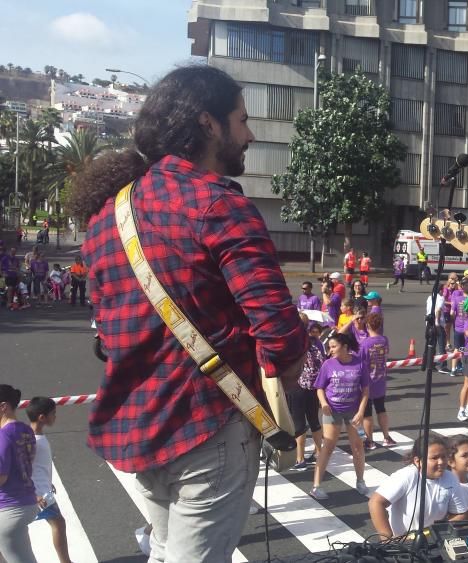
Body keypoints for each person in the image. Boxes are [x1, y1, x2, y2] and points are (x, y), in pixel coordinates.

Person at [76, 65, 308, 562]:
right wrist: (282, 387)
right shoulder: (217, 204)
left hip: (136, 427)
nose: (249, 134)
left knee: (163, 552)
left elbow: (104, 331)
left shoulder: (105, 216)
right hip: (207, 426)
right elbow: (279, 328)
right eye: (241, 120)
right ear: (208, 123)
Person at [369, 434, 468, 538]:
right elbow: (376, 502)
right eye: (434, 458)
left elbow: (460, 513)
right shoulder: (406, 476)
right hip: (402, 543)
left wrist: (436, 532)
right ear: (417, 461)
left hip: (434, 540)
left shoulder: (450, 478)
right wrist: (387, 538)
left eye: (444, 457)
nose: (441, 462)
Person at [310, 332, 369, 499]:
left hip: (353, 412)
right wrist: (324, 404)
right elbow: (319, 388)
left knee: (357, 446)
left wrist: (361, 411)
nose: (331, 350)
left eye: (334, 346)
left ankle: (360, 481)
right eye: (329, 347)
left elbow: (365, 390)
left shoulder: (360, 364)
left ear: (345, 347)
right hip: (332, 411)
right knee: (327, 447)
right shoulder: (328, 364)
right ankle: (316, 486)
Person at [26, 397, 71, 563]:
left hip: (41, 489)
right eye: (53, 414)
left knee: (57, 523)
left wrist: (48, 480)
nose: (55, 417)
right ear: (42, 417)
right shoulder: (32, 440)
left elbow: (38, 465)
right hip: (38, 495)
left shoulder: (35, 436)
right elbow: (23, 468)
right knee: (58, 523)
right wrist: (34, 493)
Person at [0, 385, 38, 563]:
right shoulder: (26, 430)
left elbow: (2, 477)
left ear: (3, 406)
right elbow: (29, 460)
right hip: (26, 501)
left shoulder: (2, 436)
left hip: (8, 508)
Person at [289, 318, 326, 472]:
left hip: (297, 385)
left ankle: (300, 458)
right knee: (313, 420)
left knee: (299, 423)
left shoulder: (294, 341)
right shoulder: (315, 341)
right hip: (314, 386)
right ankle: (318, 453)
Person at [360, 313, 394, 450]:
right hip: (381, 379)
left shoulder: (366, 343)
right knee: (381, 409)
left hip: (367, 382)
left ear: (367, 325)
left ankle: (370, 440)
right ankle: (387, 436)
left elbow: (360, 361)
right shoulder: (384, 340)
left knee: (367, 413)